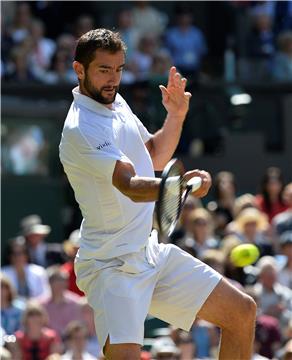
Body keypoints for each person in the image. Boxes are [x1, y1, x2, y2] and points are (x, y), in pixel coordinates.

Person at [59, 28, 257, 360]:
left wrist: (176, 115)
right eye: (103, 70)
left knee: (241, 313)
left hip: (149, 251)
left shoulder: (115, 102)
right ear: (80, 70)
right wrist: (179, 186)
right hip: (111, 268)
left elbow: (152, 156)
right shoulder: (81, 128)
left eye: (119, 69)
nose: (113, 79)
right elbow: (130, 185)